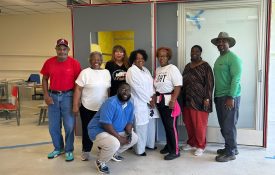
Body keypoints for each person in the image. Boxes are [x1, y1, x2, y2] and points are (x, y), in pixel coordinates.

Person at [40, 39, 81, 161]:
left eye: (64, 49)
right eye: (59, 49)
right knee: (53, 126)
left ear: (68, 50)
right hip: (53, 97)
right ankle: (58, 148)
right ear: (56, 49)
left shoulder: (74, 63)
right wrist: (46, 95)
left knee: (68, 126)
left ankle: (69, 150)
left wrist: (76, 103)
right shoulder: (49, 62)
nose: (61, 51)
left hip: (68, 96)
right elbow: (44, 79)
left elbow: (79, 85)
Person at [87, 83, 138, 174]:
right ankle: (100, 161)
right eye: (123, 89)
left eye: (128, 90)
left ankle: (113, 153)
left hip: (115, 130)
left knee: (134, 138)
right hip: (98, 130)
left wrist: (129, 134)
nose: (125, 92)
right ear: (118, 91)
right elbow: (106, 124)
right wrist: (119, 138)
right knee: (114, 143)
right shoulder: (110, 102)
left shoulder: (130, 105)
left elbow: (129, 122)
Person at [73, 52, 111, 161]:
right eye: (94, 59)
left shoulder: (106, 73)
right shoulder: (85, 72)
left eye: (99, 59)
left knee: (103, 130)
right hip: (87, 107)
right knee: (87, 130)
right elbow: (78, 89)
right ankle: (86, 150)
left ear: (102, 60)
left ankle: (102, 150)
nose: (96, 61)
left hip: (102, 108)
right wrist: (75, 105)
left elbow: (108, 90)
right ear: (90, 61)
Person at [211, 32, 242, 162]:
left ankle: (230, 153)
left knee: (229, 125)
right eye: (219, 41)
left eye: (224, 41)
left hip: (229, 97)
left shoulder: (233, 58)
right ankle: (231, 147)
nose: (221, 44)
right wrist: (215, 96)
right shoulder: (219, 58)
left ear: (229, 43)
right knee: (224, 125)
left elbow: (236, 78)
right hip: (219, 97)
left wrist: (231, 97)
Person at [182, 45, 214, 156]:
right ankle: (191, 143)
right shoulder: (187, 66)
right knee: (189, 123)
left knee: (199, 124)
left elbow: (210, 84)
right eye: (192, 51)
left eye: (196, 51)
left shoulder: (206, 66)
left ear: (200, 53)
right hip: (187, 100)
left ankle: (201, 145)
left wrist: (207, 98)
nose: (193, 53)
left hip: (200, 100)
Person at [126, 49, 157, 156]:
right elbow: (136, 88)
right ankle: (140, 150)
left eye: (142, 58)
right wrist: (149, 99)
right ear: (133, 60)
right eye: (137, 58)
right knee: (140, 126)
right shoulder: (131, 71)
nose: (140, 60)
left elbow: (151, 84)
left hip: (149, 102)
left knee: (150, 124)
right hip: (139, 102)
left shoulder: (145, 70)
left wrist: (153, 96)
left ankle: (149, 144)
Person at [154, 47, 182, 160]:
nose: (161, 58)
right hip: (160, 100)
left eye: (164, 56)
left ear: (168, 57)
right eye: (159, 56)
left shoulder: (172, 68)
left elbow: (178, 85)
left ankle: (175, 150)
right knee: (166, 125)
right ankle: (169, 145)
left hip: (170, 99)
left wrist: (173, 100)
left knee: (171, 126)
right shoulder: (158, 70)